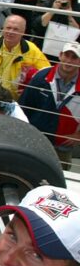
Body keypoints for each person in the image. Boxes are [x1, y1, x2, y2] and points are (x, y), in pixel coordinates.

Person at [19, 42, 80, 170]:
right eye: (66, 55)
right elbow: (23, 108)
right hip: (34, 141)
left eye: (74, 58)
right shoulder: (41, 77)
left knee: (58, 183)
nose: (68, 61)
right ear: (60, 55)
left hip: (62, 147)